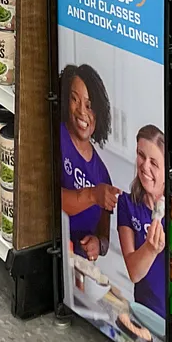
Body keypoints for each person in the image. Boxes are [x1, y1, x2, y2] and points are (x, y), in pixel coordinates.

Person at [58, 63, 120, 261]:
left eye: (89, 106)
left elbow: (104, 239)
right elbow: (51, 199)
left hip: (79, 274)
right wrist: (93, 194)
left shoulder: (102, 174)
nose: (82, 112)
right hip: (52, 258)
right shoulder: (57, 136)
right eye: (75, 100)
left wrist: (97, 245)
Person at [116, 125, 167, 317]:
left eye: (154, 163)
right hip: (146, 314)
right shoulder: (126, 205)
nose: (144, 166)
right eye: (141, 155)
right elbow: (134, 273)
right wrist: (150, 249)